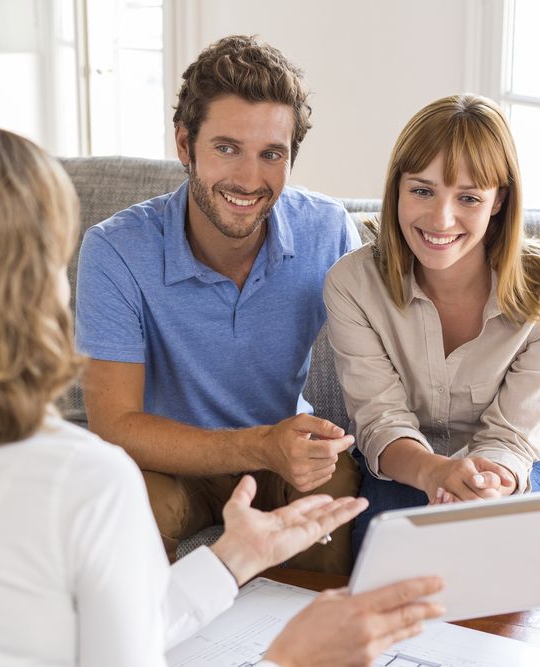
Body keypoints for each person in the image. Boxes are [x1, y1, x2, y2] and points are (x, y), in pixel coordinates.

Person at [0, 119, 444, 666]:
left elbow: (104, 632)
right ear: (28, 290)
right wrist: (294, 660)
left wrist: (232, 557)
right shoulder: (82, 483)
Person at [76, 35, 361, 574]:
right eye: (227, 148)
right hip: (167, 464)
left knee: (340, 482)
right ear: (185, 145)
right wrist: (261, 446)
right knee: (128, 502)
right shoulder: (115, 249)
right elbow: (114, 426)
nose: (249, 180)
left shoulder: (327, 230)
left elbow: (389, 349)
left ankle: (291, 652)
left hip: (282, 458)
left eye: (271, 155)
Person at [323, 94, 540, 554]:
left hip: (515, 471)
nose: (441, 219)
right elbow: (381, 420)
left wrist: (481, 486)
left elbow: (513, 438)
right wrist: (436, 473)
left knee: (498, 541)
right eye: (422, 190)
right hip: (407, 468)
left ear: (499, 200)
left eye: (467, 197)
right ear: (397, 189)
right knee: (390, 543)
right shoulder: (352, 284)